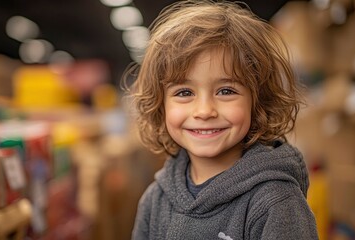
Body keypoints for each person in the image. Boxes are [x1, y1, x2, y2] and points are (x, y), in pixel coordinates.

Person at [123, 0, 319, 239]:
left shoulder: (275, 201)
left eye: (226, 91)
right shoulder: (155, 200)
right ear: (160, 106)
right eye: (184, 93)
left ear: (257, 102)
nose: (204, 111)